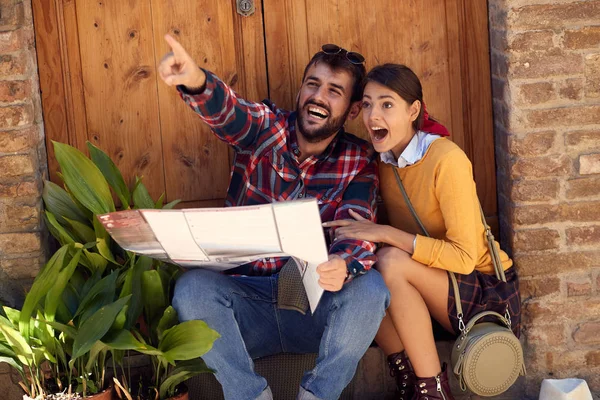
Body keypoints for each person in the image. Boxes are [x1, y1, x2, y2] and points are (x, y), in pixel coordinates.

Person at [158, 35, 390, 400]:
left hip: (311, 310)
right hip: (244, 305)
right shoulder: (268, 130)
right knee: (192, 289)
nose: (318, 97)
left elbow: (357, 226)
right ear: (300, 91)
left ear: (352, 109)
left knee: (371, 290)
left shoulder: (358, 159)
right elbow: (232, 114)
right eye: (312, 85)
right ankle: (250, 395)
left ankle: (317, 395)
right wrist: (197, 81)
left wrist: (343, 263)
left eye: (334, 91)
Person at [324, 64, 521, 400]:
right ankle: (406, 378)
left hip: (481, 291)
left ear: (413, 110)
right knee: (363, 268)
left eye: (387, 104)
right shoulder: (383, 163)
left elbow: (463, 258)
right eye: (368, 104)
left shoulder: (446, 159)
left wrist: (384, 232)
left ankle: (433, 391)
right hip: (429, 283)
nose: (374, 115)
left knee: (389, 261)